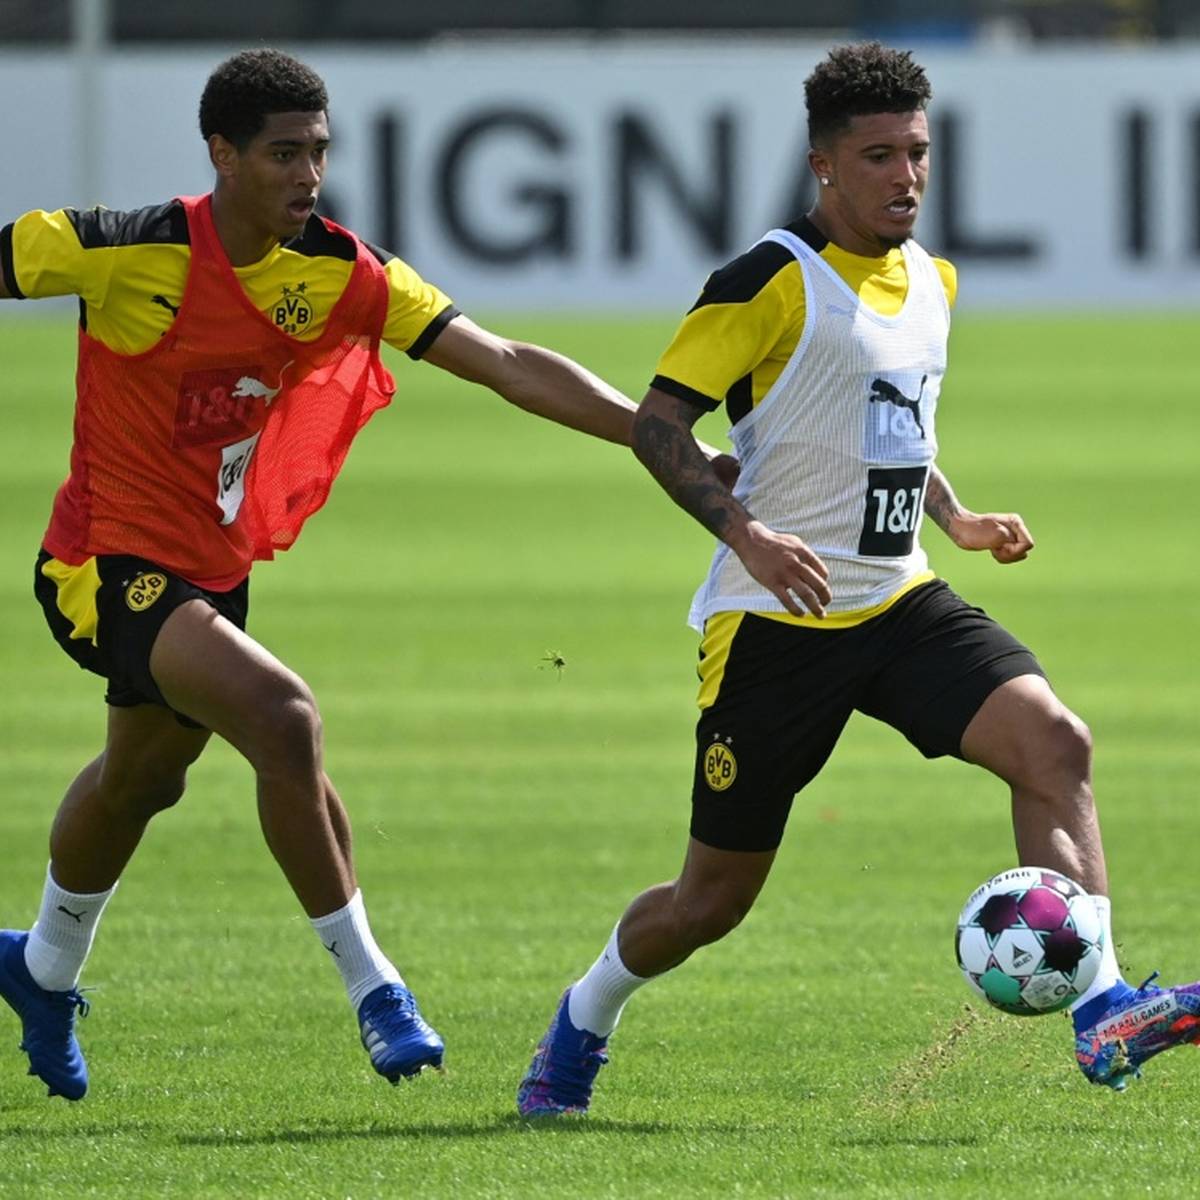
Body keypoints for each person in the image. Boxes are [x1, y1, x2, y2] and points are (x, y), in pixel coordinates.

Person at [0, 48, 732, 1103]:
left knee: (141, 781)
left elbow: (506, 362)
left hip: (210, 568)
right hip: (100, 561)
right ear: (222, 155)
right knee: (284, 717)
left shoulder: (341, 270)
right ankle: (376, 988)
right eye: (283, 154)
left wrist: (656, 435)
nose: (309, 174)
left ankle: (40, 970)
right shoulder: (127, 249)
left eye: (319, 151)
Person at [516, 41, 1200, 1116]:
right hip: (774, 622)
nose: (906, 175)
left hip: (896, 601)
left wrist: (955, 517)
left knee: (1056, 744)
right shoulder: (766, 281)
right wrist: (746, 535)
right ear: (824, 164)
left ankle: (1103, 1008)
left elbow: (893, 426)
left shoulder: (934, 279)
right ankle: (583, 1016)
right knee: (710, 901)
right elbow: (657, 428)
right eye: (879, 156)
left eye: (918, 152)